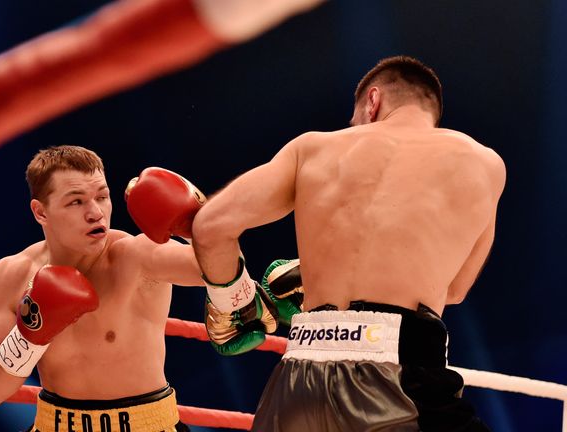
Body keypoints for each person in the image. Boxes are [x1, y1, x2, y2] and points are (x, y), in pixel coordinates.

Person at [191, 56, 505, 431]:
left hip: (296, 380)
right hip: (399, 382)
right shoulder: (483, 163)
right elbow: (454, 290)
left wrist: (237, 302)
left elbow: (210, 226)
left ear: (372, 101)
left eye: (354, 118)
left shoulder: (311, 148)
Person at [0, 145, 207, 432]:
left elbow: (223, 268)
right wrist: (29, 337)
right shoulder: (15, 274)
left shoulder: (136, 255)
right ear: (40, 212)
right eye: (76, 202)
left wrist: (196, 225)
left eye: (102, 197)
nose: (96, 213)